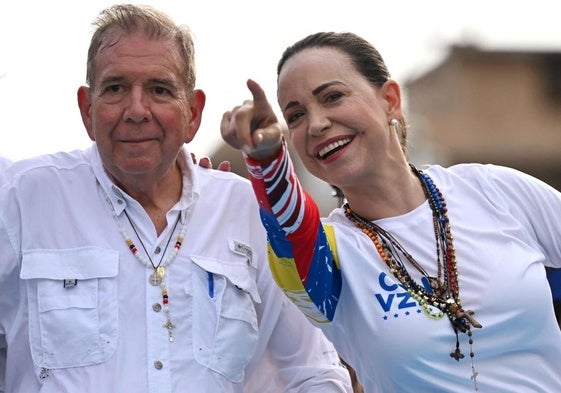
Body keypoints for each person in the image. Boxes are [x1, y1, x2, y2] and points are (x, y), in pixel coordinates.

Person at [0, 6, 354, 393]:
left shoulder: (246, 212)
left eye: (159, 90)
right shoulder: (20, 198)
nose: (137, 110)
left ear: (193, 114)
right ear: (87, 109)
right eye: (116, 87)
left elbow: (312, 372)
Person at [220, 31, 561, 392]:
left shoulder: (493, 190)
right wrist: (267, 158)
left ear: (390, 100)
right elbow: (290, 228)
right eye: (297, 115)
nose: (317, 124)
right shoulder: (327, 258)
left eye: (332, 97)